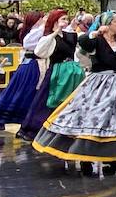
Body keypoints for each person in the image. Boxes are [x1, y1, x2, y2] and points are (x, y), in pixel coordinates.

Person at [32, 12, 116, 171]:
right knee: (92, 118)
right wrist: (95, 32)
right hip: (98, 84)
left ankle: (112, 158)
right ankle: (85, 157)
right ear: (108, 24)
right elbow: (83, 41)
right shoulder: (96, 40)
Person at [17, 10, 81, 143]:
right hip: (56, 72)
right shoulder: (49, 37)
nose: (66, 21)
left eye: (66, 19)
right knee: (47, 99)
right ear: (55, 21)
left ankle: (64, 129)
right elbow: (40, 52)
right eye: (63, 19)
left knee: (68, 101)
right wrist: (55, 32)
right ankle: (33, 129)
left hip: (71, 72)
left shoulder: (70, 36)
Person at [0, 11, 45, 131]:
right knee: (25, 92)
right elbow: (28, 43)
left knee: (32, 94)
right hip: (32, 65)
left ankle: (30, 122)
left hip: (39, 64)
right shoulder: (33, 32)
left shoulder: (40, 30)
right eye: (41, 18)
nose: (43, 20)